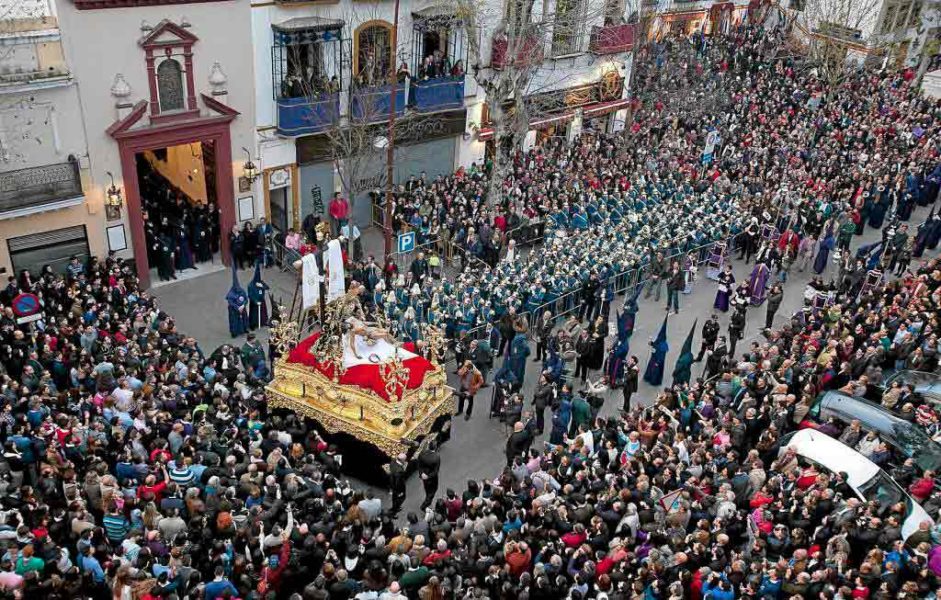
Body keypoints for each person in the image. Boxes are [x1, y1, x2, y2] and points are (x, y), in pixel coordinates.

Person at [417, 441, 440, 510]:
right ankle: (424, 505)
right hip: (432, 478)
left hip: (424, 476)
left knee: (427, 489)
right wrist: (428, 476)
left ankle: (428, 499)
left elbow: (419, 465)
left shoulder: (422, 453)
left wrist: (421, 473)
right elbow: (435, 471)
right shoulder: (436, 457)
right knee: (432, 491)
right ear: (435, 447)